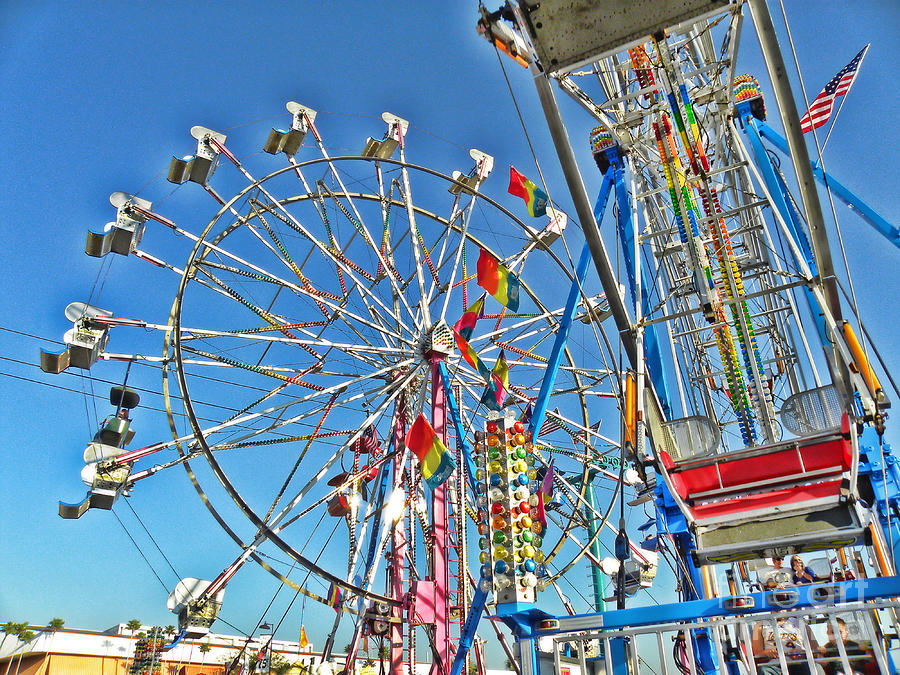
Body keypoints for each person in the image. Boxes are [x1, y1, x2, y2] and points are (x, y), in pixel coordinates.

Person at [752, 610, 824, 675]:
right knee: (764, 670)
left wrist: (801, 653)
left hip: (799, 664)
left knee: (815, 667)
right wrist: (766, 653)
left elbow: (815, 650)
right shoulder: (759, 626)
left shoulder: (801, 624)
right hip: (775, 666)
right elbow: (757, 653)